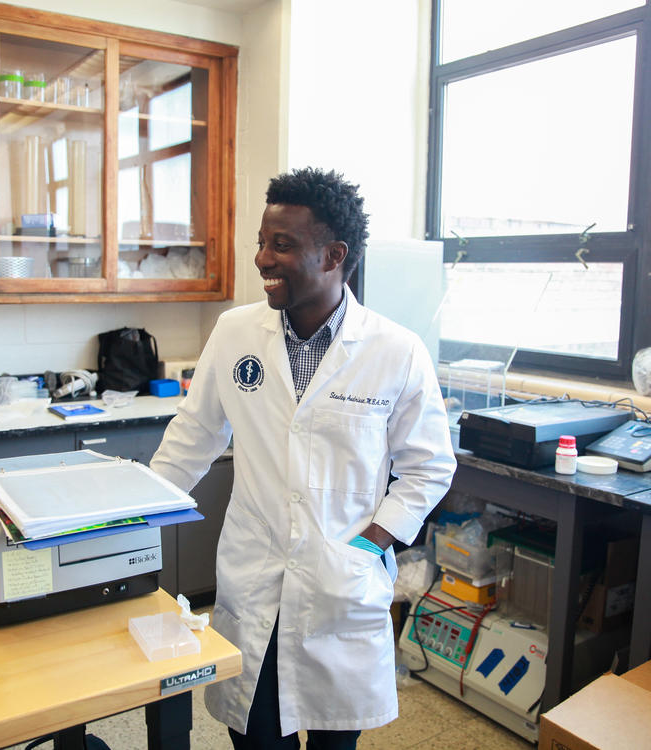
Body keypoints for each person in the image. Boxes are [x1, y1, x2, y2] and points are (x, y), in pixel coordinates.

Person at [150, 167, 456, 748]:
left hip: (341, 582)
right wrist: (132, 517)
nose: (262, 259)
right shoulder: (237, 331)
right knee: (255, 736)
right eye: (262, 242)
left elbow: (429, 467)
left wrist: (370, 545)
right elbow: (193, 437)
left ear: (334, 254)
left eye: (282, 245)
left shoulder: (395, 351)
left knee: (335, 741)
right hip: (254, 572)